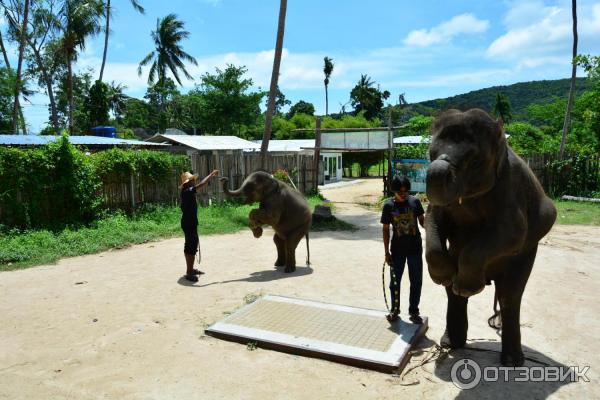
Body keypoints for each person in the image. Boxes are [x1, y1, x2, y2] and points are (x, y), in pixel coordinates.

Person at [380, 175, 425, 324]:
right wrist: (387, 252)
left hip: (415, 249)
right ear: (394, 191)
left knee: (416, 281)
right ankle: (395, 310)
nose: (403, 194)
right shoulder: (388, 206)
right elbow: (386, 230)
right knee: (394, 282)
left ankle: (414, 311)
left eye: (406, 191)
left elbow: (423, 222)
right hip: (397, 251)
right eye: (400, 192)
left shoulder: (415, 202)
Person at [180, 169, 219, 282]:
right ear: (187, 183)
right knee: (191, 246)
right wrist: (211, 175)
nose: (193, 182)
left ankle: (190, 269)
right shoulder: (187, 191)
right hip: (189, 223)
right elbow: (202, 184)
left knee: (191, 245)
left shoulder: (187, 191)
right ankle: (189, 272)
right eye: (192, 180)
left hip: (189, 222)